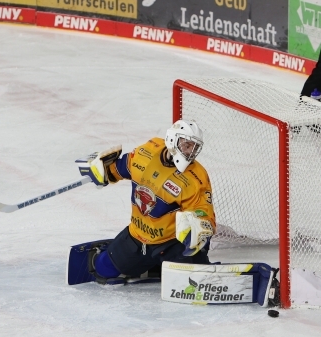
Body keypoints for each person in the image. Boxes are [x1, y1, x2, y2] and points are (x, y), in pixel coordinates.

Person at [74, 120, 279, 306]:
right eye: (187, 145)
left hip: (172, 244)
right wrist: (103, 170)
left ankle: (249, 280)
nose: (191, 152)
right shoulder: (147, 152)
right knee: (103, 270)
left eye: (195, 147)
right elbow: (122, 167)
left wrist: (199, 227)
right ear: (172, 139)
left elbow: (205, 213)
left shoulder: (196, 177)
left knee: (198, 281)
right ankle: (153, 266)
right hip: (137, 237)